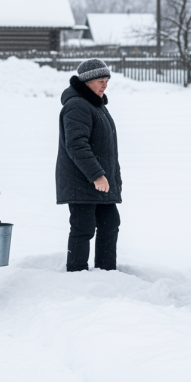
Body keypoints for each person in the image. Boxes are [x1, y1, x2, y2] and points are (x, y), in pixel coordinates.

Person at [56, 59, 122, 272]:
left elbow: (105, 148)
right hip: (82, 181)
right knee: (83, 229)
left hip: (100, 181)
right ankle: (76, 273)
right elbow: (76, 145)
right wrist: (96, 175)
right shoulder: (77, 105)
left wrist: (111, 177)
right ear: (86, 82)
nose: (104, 85)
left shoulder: (96, 105)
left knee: (109, 224)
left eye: (106, 81)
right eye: (100, 81)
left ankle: (106, 271)